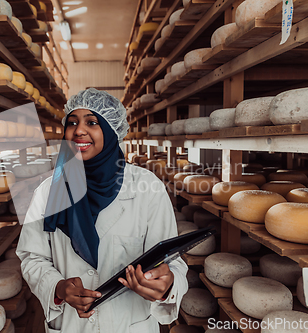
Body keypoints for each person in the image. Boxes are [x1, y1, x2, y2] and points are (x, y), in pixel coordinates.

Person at [16, 88, 188, 333]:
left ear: (111, 131)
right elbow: (32, 257)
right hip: (73, 325)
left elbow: (173, 262)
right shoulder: (47, 191)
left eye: (92, 122)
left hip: (129, 324)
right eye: (72, 122)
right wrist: (57, 287)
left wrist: (168, 284)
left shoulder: (147, 187)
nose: (78, 131)